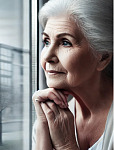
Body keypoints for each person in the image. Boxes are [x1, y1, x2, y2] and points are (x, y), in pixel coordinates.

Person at [32, 0, 113, 149]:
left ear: (103, 57)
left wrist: (66, 145)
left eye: (65, 42)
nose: (47, 56)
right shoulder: (50, 117)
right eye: (46, 41)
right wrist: (41, 130)